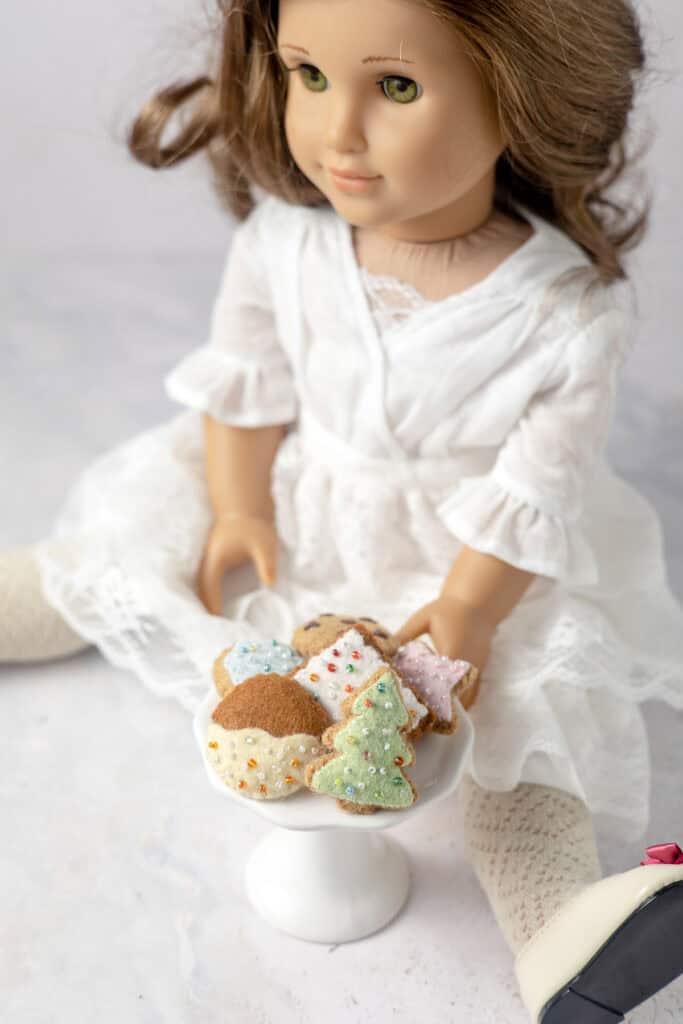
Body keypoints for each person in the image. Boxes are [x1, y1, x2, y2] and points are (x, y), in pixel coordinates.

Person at [3, 0, 683, 1019]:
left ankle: (562, 939)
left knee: (524, 732)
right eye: (307, 76)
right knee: (124, 546)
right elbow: (248, 390)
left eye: (395, 87)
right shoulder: (285, 240)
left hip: (465, 565)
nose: (335, 131)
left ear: (521, 97)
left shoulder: (561, 312)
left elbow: (530, 492)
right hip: (291, 497)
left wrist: (466, 613)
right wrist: (237, 506)